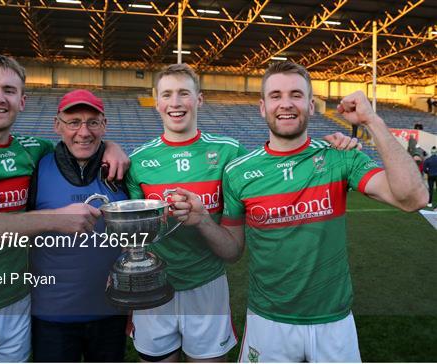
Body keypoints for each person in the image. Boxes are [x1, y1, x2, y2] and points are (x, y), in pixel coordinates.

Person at [171, 61, 428, 362]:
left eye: (295, 94)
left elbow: (413, 198)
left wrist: (373, 121)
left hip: (334, 322)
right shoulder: (239, 172)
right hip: (268, 322)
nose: (286, 104)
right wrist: (202, 220)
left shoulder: (339, 157)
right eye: (276, 95)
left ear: (311, 105)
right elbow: (232, 251)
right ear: (262, 106)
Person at [125, 63, 362, 362]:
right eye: (167, 94)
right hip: (156, 286)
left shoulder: (230, 153)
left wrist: (339, 142)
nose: (175, 102)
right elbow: (132, 233)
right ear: (156, 101)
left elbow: (268, 166)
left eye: (184, 93)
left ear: (199, 99)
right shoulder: (137, 161)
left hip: (207, 283)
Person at [0, 55, 128, 362]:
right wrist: (54, 219)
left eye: (9, 90)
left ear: (22, 100)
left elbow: (79, 140)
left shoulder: (33, 150)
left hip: (17, 302)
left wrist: (111, 146)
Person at [27, 89, 128, 362]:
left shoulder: (123, 169)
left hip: (111, 313)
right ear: (57, 125)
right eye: (74, 122)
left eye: (92, 122)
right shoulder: (36, 168)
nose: (84, 132)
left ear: (104, 125)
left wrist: (113, 146)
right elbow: (7, 222)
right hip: (52, 317)